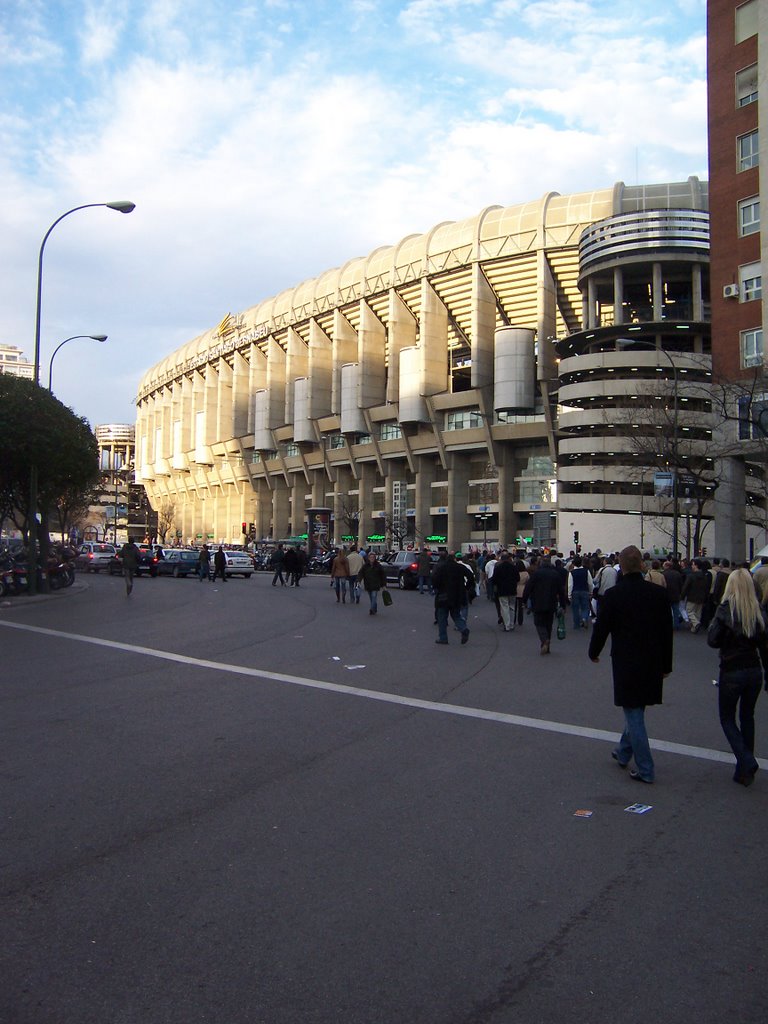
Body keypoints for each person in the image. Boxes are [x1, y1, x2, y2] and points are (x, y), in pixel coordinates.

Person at [588, 545, 673, 784]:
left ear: (621, 567)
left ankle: (646, 768)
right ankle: (624, 751)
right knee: (637, 709)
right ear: (643, 565)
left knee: (633, 712)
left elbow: (602, 627)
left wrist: (594, 652)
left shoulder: (615, 595)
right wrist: (667, 664)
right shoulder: (658, 594)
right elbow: (667, 633)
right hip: (652, 659)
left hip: (626, 660)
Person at [707, 567, 768, 787]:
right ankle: (744, 770)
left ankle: (746, 759)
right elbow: (765, 647)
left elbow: (713, 640)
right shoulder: (757, 611)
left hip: (732, 669)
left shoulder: (726, 610)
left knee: (727, 718)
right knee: (747, 716)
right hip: (753, 669)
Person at [523, 556, 566, 654]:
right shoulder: (555, 574)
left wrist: (524, 600)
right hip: (551, 602)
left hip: (537, 601)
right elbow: (561, 591)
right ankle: (547, 645)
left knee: (538, 623)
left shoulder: (536, 574)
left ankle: (544, 639)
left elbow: (528, 588)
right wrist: (563, 605)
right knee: (548, 624)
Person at [431, 553, 470, 645]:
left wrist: (437, 588)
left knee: (442, 618)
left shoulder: (441, 568)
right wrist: (466, 588)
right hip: (457, 595)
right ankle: (463, 628)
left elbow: (434, 579)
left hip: (443, 595)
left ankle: (443, 637)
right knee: (456, 615)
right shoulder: (460, 567)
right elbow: (470, 576)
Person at [492, 551, 520, 632]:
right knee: (512, 607)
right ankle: (512, 624)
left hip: (502, 590)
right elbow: (518, 578)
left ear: (501, 559)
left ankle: (507, 625)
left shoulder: (498, 567)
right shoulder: (514, 567)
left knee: (504, 607)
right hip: (512, 589)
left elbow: (494, 579)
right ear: (509, 559)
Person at [358, 550, 387, 615]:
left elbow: (383, 575)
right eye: (370, 557)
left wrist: (384, 585)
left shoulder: (378, 566)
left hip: (375, 584)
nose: (372, 559)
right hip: (368, 584)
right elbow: (361, 573)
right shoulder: (365, 566)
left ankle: (372, 609)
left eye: (373, 557)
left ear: (375, 558)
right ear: (368, 558)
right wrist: (359, 581)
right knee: (371, 598)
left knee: (374, 596)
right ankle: (374, 608)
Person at [568, 556, 593, 629]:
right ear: (581, 562)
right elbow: (590, 583)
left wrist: (569, 595)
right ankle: (584, 618)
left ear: (574, 564)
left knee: (575, 608)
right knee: (585, 607)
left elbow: (570, 585)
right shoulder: (586, 571)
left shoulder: (571, 572)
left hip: (575, 591)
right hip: (584, 590)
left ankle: (577, 624)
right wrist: (591, 592)